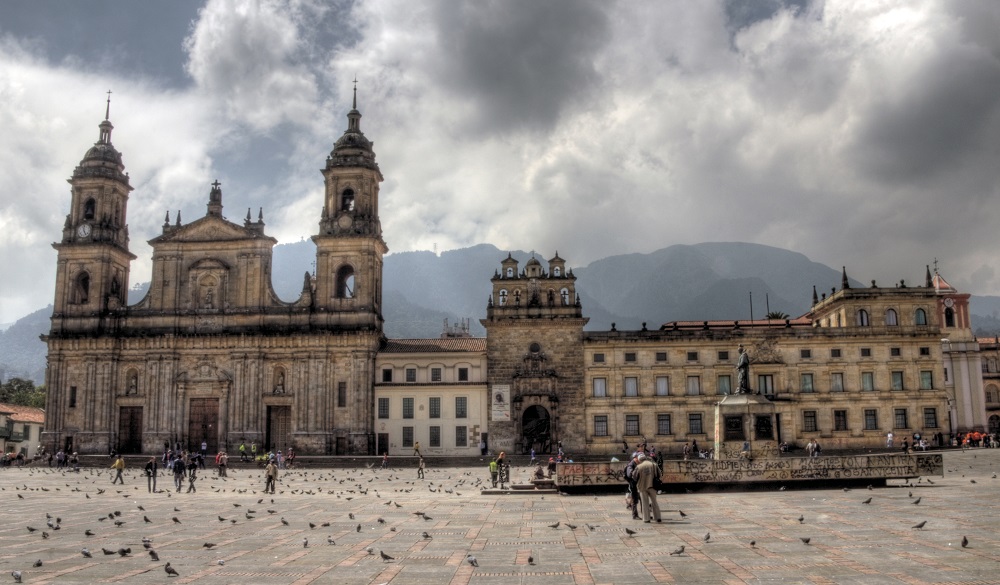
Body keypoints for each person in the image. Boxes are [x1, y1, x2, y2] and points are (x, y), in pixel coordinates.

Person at [633, 454, 662, 523]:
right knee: (654, 502)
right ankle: (658, 517)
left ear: (640, 460)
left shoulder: (639, 466)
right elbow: (660, 474)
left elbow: (634, 477)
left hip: (642, 487)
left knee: (644, 503)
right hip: (653, 486)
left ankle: (646, 519)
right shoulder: (654, 465)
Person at [624, 453, 641, 520]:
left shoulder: (636, 464)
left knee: (638, 500)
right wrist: (636, 473)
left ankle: (644, 514)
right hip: (633, 485)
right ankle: (634, 515)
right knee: (635, 500)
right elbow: (629, 474)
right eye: (638, 458)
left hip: (636, 485)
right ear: (635, 458)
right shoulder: (631, 464)